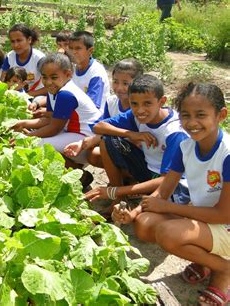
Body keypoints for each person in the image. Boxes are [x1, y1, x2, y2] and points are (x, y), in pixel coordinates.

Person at [112, 83, 229, 306]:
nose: (192, 123)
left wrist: (169, 208)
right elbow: (163, 192)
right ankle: (205, 260)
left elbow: (224, 215)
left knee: (168, 232)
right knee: (144, 224)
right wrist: (133, 212)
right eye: (186, 115)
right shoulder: (186, 147)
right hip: (206, 220)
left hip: (225, 224)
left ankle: (223, 269)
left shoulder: (227, 153)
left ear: (221, 115)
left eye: (201, 115)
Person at [88, 74, 190, 206]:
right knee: (107, 140)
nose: (140, 110)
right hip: (147, 168)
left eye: (147, 103)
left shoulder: (174, 132)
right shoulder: (135, 116)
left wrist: (116, 191)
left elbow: (166, 180)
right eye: (134, 104)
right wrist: (131, 134)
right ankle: (119, 200)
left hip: (170, 183)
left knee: (147, 218)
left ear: (162, 101)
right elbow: (98, 127)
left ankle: (120, 192)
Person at [11, 53, 101, 165]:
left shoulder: (66, 94)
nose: (48, 82)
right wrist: (24, 123)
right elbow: (49, 119)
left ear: (68, 74)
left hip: (87, 138)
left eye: (54, 77)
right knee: (35, 138)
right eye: (44, 77)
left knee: (36, 144)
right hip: (73, 132)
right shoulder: (53, 90)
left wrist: (27, 137)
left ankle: (78, 172)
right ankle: (75, 169)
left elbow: (54, 128)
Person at [64, 58, 144, 167]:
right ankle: (120, 179)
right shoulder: (111, 102)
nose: (119, 88)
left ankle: (125, 180)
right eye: (115, 81)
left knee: (106, 143)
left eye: (126, 83)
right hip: (118, 146)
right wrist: (82, 143)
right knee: (95, 152)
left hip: (140, 152)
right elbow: (101, 130)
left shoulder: (141, 108)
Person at [68, 31, 110, 112]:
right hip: (75, 113)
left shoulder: (96, 73)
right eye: (71, 48)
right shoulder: (71, 69)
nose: (73, 52)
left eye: (78, 48)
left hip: (92, 119)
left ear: (90, 51)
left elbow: (92, 106)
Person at [1, 24, 46, 97]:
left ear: (29, 40)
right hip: (14, 95)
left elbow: (50, 86)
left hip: (36, 96)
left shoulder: (40, 59)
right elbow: (3, 82)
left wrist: (26, 95)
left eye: (19, 40)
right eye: (12, 41)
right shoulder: (9, 57)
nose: (16, 45)